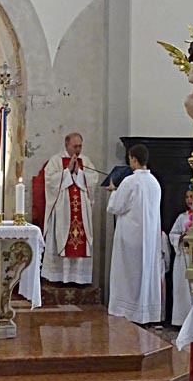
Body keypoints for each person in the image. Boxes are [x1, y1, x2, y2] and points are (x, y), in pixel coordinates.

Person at [105, 144, 164, 324]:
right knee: (144, 273)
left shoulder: (130, 182)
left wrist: (113, 191)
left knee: (128, 275)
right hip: (149, 238)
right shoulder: (154, 182)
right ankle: (145, 312)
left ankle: (126, 310)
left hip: (130, 236)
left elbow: (116, 207)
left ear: (133, 159)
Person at [41, 132, 97, 284]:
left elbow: (93, 179)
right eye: (75, 146)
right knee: (62, 238)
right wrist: (67, 172)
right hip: (63, 211)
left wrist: (79, 173)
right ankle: (59, 278)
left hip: (81, 211)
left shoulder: (86, 161)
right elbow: (49, 181)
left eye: (80, 146)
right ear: (67, 145)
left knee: (80, 241)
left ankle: (79, 279)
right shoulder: (55, 161)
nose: (78, 150)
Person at [168, 185, 193, 327]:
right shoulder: (182, 217)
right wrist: (181, 237)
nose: (189, 200)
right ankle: (182, 320)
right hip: (184, 256)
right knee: (182, 290)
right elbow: (173, 234)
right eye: (187, 197)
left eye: (192, 196)